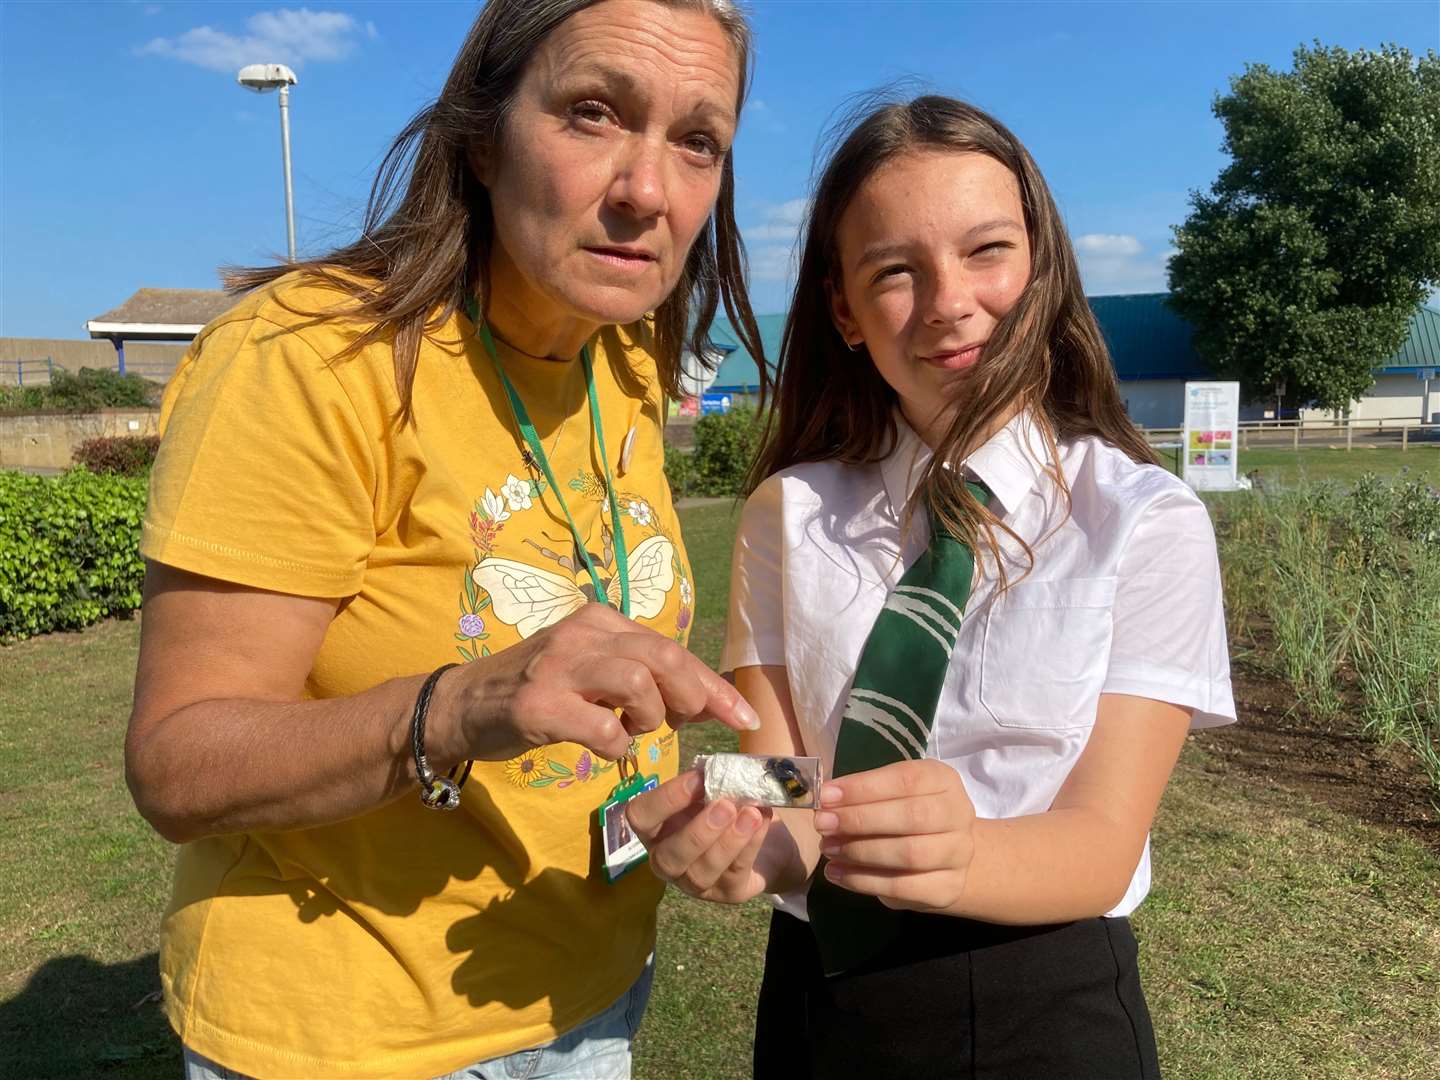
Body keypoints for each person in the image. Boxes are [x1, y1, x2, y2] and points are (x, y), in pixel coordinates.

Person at [124, 2, 767, 1077]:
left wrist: (665, 812)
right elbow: (177, 767)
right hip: (351, 1037)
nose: (647, 190)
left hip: (587, 993)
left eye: (697, 141)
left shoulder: (630, 359)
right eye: (593, 113)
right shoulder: (312, 357)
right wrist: (461, 706)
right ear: (480, 136)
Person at [626, 95, 1236, 1078]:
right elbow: (787, 777)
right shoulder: (786, 517)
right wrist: (728, 826)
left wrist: (964, 851)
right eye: (895, 272)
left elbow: (1102, 842)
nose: (949, 300)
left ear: (1042, 265)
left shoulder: (1145, 522)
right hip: (821, 1005)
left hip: (1050, 1005)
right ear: (845, 313)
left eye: (986, 250)